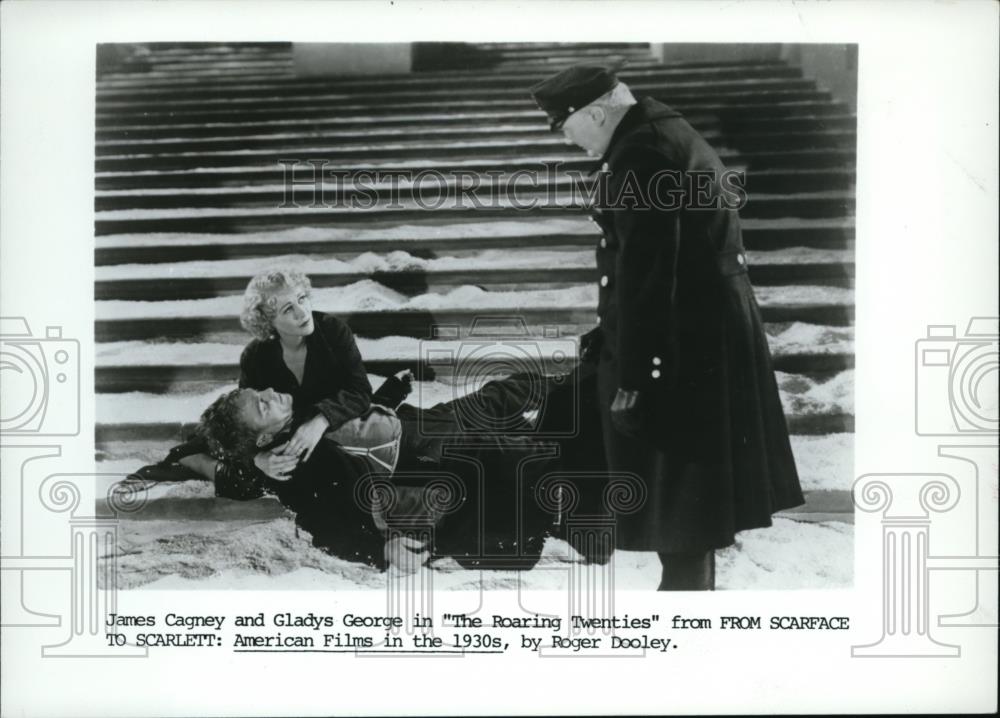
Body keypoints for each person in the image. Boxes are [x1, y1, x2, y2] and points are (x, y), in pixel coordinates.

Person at [530, 64, 805, 590]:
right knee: (684, 497)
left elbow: (648, 277)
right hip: (703, 332)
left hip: (684, 341)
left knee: (678, 492)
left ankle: (683, 608)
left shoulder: (642, 153)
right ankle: (685, 593)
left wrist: (637, 375)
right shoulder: (658, 134)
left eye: (563, 123)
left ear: (596, 111)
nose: (565, 136)